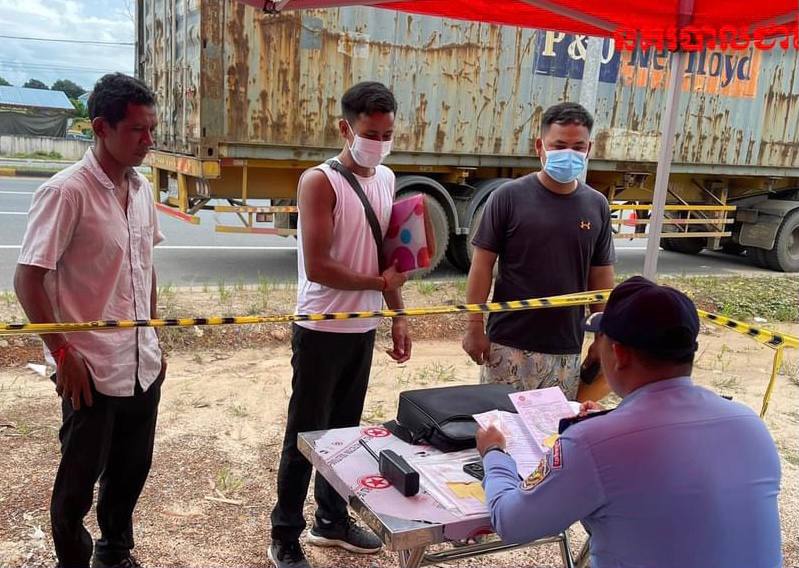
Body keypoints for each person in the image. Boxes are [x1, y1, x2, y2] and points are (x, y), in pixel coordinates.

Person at [476, 276, 782, 568]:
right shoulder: (749, 424)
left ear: (619, 354)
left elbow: (511, 522)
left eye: (599, 340)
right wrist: (609, 425)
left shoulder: (593, 443)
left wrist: (494, 453)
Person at [14, 73, 165, 568]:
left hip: (141, 363)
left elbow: (145, 265)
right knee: (77, 486)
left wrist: (153, 335)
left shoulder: (140, 189)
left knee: (130, 470)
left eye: (152, 128)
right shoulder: (66, 192)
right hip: (89, 371)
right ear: (101, 127)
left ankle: (115, 553)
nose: (148, 140)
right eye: (138, 130)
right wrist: (61, 353)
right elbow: (28, 279)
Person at [268, 81, 412, 568]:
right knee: (305, 437)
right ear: (344, 129)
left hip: (362, 327)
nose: (379, 143)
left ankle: (331, 521)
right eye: (371, 133)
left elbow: (388, 256)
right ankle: (284, 534)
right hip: (321, 328)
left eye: (387, 134)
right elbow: (318, 265)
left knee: (345, 436)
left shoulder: (387, 178)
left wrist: (398, 313)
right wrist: (379, 282)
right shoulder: (319, 182)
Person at [462, 102, 616, 400]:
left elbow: (601, 276)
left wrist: (603, 335)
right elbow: (481, 266)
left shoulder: (597, 205)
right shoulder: (507, 197)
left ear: (588, 149)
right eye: (559, 145)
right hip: (509, 345)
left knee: (554, 426)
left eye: (578, 147)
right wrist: (474, 326)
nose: (569, 153)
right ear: (540, 147)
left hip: (566, 349)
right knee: (502, 424)